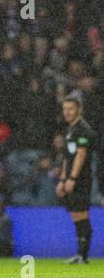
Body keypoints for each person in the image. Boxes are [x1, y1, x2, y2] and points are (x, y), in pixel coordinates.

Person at [55, 95, 96, 264]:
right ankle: (80, 254)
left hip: (82, 179)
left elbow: (81, 155)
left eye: (71, 109)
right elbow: (67, 158)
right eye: (65, 109)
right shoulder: (70, 130)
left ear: (79, 109)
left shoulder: (84, 130)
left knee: (81, 214)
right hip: (71, 179)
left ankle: (83, 255)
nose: (67, 112)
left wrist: (72, 178)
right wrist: (63, 179)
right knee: (76, 215)